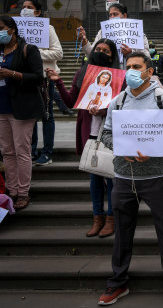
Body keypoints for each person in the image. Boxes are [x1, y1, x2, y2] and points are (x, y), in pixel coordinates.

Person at [96, 52, 163, 306]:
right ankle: (118, 282)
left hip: (156, 177)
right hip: (123, 178)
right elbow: (106, 135)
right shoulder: (118, 101)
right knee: (122, 233)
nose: (131, 71)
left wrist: (154, 152)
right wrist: (122, 148)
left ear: (149, 72)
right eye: (128, 67)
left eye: (137, 67)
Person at [51, 38, 122, 238]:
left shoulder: (120, 78)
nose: (100, 52)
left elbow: (123, 107)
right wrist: (58, 82)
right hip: (89, 133)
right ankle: (97, 217)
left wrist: (104, 111)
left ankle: (111, 218)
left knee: (111, 178)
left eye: (106, 51)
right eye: (98, 49)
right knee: (95, 179)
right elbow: (71, 101)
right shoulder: (82, 74)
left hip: (110, 134)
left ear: (112, 57)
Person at [0, 15, 44, 211]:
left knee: (21, 151)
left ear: (12, 29)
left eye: (1, 28)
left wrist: (12, 74)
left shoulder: (28, 49)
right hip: (2, 107)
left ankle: (23, 192)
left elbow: (38, 77)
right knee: (7, 152)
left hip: (22, 108)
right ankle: (12, 190)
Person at [20, 0, 64, 167]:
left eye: (29, 8)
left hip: (45, 78)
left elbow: (58, 53)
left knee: (47, 116)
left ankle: (47, 152)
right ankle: (31, 150)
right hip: (26, 78)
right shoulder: (18, 31)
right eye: (23, 7)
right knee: (30, 116)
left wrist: (34, 52)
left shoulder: (47, 28)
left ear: (37, 12)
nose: (25, 10)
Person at [77, 3, 150, 65]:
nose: (112, 17)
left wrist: (131, 52)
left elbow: (147, 57)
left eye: (115, 14)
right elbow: (92, 55)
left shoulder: (137, 33)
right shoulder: (102, 32)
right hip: (107, 74)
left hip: (130, 74)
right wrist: (84, 41)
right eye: (110, 15)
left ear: (124, 16)